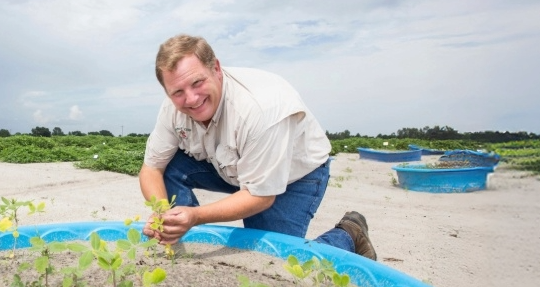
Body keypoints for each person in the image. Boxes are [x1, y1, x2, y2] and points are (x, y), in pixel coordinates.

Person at [138, 34, 376, 260]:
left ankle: (348, 234)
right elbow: (151, 169)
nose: (190, 99)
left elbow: (259, 196)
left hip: (292, 177)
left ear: (216, 69)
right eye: (178, 92)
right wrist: (163, 214)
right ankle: (185, 241)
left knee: (272, 258)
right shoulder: (172, 108)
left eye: (197, 82)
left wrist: (195, 216)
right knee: (170, 165)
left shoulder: (261, 108)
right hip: (227, 166)